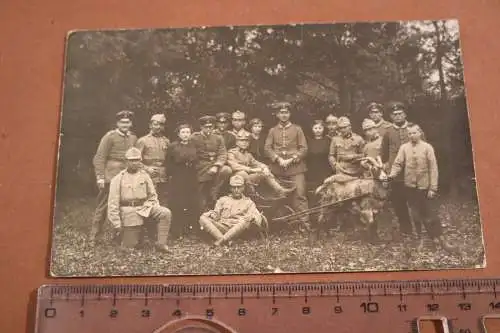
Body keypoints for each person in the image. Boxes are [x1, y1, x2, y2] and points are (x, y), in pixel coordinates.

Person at [388, 125, 454, 251]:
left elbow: (433, 168)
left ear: (419, 133)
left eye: (414, 133)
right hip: (410, 187)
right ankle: (421, 239)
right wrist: (392, 174)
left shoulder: (427, 147)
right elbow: (398, 163)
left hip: (425, 187)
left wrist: (433, 188)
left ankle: (440, 239)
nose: (411, 135)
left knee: (430, 214)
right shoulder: (404, 148)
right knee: (416, 215)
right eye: (409, 134)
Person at [107, 147, 172, 252]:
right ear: (126, 161)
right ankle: (124, 237)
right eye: (131, 160)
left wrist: (151, 207)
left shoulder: (144, 175)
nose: (134, 163)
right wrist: (117, 224)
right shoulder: (118, 179)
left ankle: (161, 244)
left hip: (144, 208)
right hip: (129, 212)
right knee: (130, 247)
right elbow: (112, 204)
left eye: (137, 160)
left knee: (165, 213)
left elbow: (152, 195)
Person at [89, 110, 138, 245]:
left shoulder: (133, 138)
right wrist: (100, 177)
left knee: (124, 205)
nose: (125, 125)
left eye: (127, 122)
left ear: (131, 123)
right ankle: (94, 236)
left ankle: (119, 236)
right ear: (117, 123)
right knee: (103, 206)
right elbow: (99, 158)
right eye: (122, 122)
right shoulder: (109, 137)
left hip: (127, 176)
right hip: (110, 175)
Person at [381, 101, 425, 237]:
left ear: (405, 114)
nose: (398, 116)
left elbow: (424, 147)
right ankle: (405, 230)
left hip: (413, 172)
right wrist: (388, 169)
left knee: (416, 202)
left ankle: (420, 230)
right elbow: (384, 154)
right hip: (396, 175)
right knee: (399, 203)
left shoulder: (414, 129)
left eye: (400, 113)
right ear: (391, 117)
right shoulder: (388, 132)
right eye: (395, 114)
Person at [264, 102, 309, 228]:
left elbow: (304, 149)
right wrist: (278, 159)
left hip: (295, 167)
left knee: (300, 195)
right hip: (277, 168)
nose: (284, 115)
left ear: (290, 114)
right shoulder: (272, 131)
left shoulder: (297, 129)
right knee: (275, 195)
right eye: (281, 113)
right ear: (277, 114)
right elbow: (267, 148)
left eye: (286, 112)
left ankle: (305, 224)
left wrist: (291, 159)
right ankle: (274, 225)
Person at [199, 175, 263, 247]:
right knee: (203, 218)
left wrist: (252, 218)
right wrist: (211, 214)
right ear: (230, 188)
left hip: (238, 229)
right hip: (222, 227)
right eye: (234, 187)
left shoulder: (249, 202)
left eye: (239, 187)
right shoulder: (222, 200)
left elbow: (253, 218)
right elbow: (216, 215)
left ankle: (220, 241)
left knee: (246, 220)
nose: (236, 190)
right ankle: (225, 240)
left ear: (243, 188)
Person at [227, 131, 293, 197]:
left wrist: (264, 168)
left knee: (264, 172)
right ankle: (252, 194)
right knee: (242, 173)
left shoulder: (248, 154)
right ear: (237, 142)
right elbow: (234, 166)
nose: (244, 143)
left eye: (247, 141)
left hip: (247, 179)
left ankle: (280, 190)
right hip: (235, 179)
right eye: (242, 141)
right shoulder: (231, 153)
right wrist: (252, 170)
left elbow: (256, 163)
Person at [191, 115, 232, 213]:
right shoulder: (194, 138)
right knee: (201, 188)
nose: (209, 129)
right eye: (206, 127)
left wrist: (216, 165)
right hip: (200, 166)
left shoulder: (218, 138)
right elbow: (192, 154)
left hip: (214, 165)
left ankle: (214, 190)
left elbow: (222, 153)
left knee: (226, 170)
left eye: (211, 127)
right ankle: (202, 205)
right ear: (201, 127)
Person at [166, 123, 199, 238]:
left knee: (190, 203)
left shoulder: (194, 145)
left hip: (191, 177)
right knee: (178, 203)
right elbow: (168, 163)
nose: (185, 135)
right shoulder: (172, 146)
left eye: (188, 132)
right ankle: (176, 231)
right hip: (178, 177)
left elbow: (197, 161)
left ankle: (189, 229)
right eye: (183, 132)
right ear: (178, 134)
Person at [136, 113, 170, 206]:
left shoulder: (166, 141)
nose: (158, 127)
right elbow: (136, 161)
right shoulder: (143, 140)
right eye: (156, 124)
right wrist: (147, 169)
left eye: (161, 125)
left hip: (163, 176)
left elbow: (169, 159)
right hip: (148, 175)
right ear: (150, 125)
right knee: (149, 199)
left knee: (163, 200)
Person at [306, 120, 331, 191]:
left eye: (320, 128)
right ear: (312, 129)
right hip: (312, 169)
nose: (318, 130)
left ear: (323, 129)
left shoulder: (328, 140)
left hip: (325, 169)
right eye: (315, 128)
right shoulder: (308, 141)